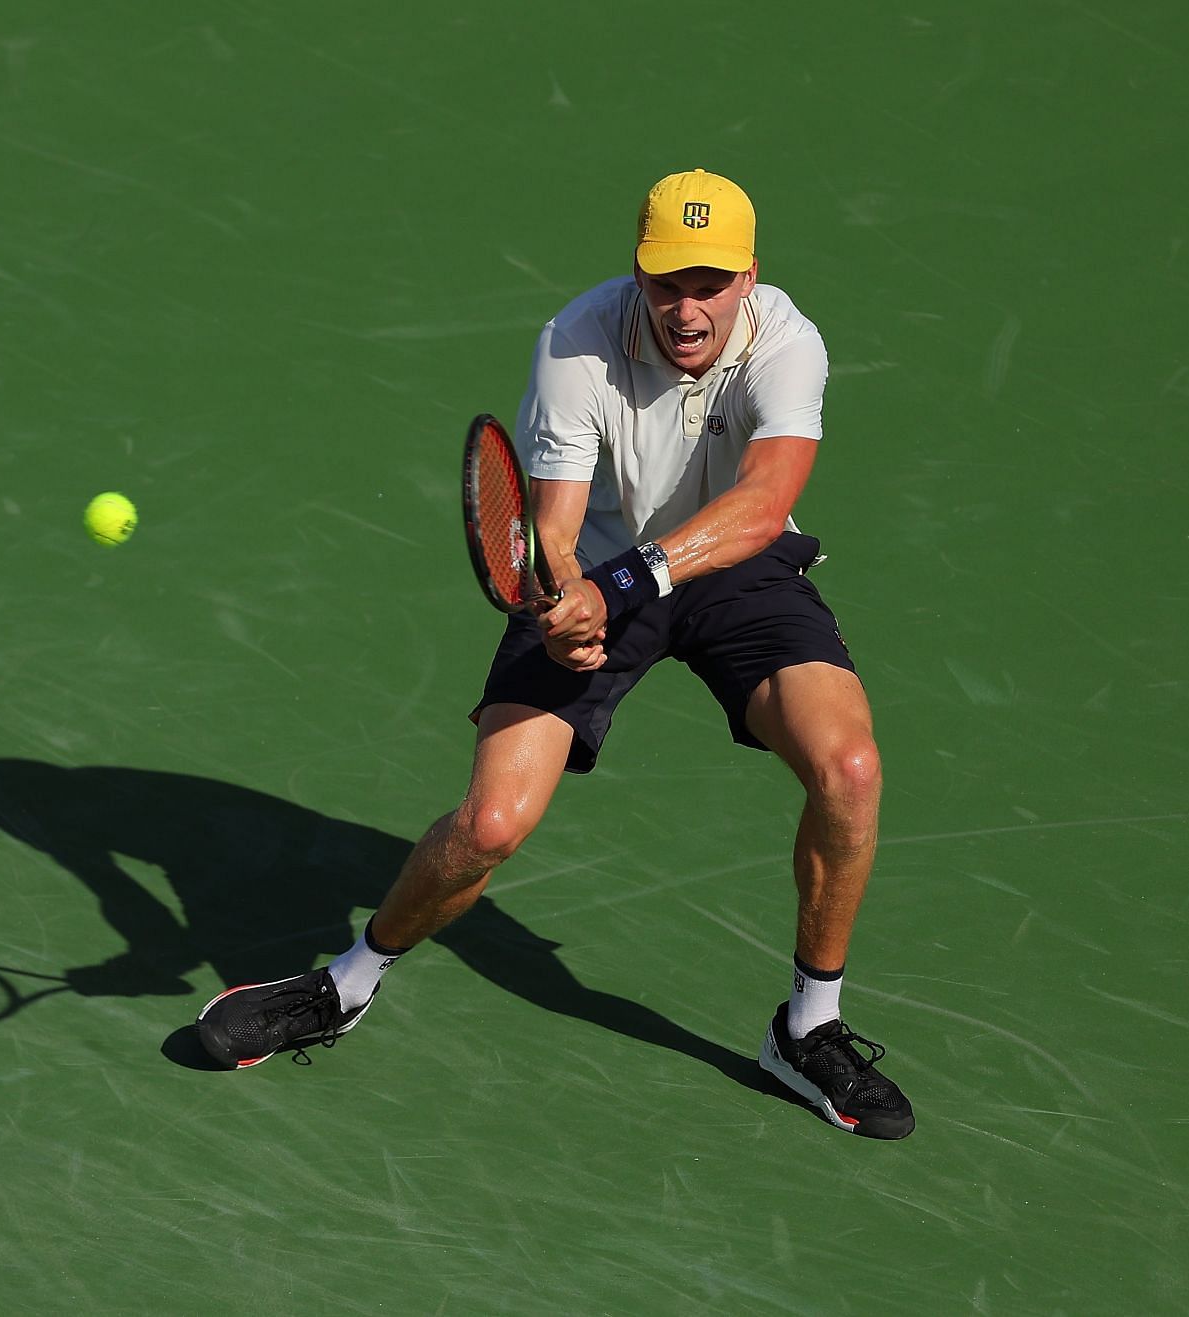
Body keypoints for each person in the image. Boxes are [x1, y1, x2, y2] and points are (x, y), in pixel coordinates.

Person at [196, 168, 914, 1139]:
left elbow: (763, 502)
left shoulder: (786, 340)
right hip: (604, 567)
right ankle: (347, 984)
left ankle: (808, 1027)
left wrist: (621, 586)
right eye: (668, 283)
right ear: (638, 274)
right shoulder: (577, 341)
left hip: (735, 568)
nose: (687, 306)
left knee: (850, 768)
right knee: (490, 823)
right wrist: (567, 598)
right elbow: (557, 527)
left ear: (749, 276)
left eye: (710, 282)